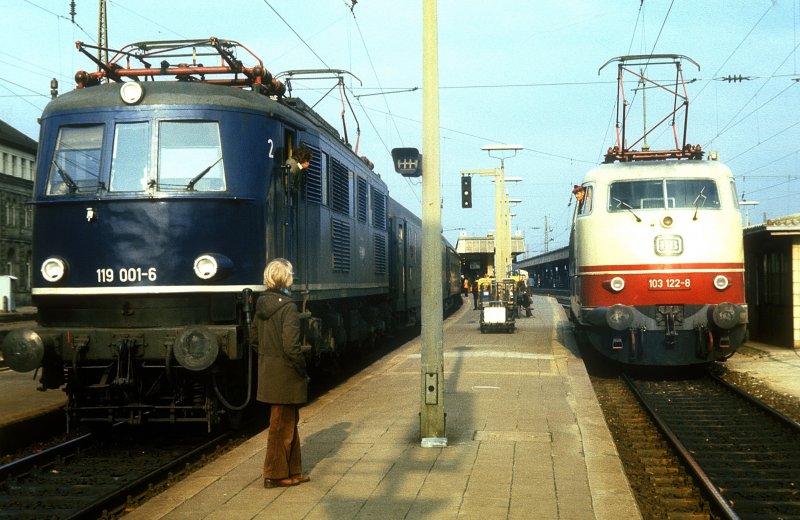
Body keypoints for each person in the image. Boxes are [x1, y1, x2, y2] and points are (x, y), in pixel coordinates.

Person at [249, 258, 310, 488]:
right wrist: (301, 368)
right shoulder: (288, 307)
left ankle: (292, 470)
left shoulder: (261, 305)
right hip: (286, 373)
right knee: (280, 425)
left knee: (287, 422)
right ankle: (274, 474)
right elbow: (291, 347)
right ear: (286, 278)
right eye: (291, 274)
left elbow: (253, 338)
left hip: (270, 371)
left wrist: (268, 356)